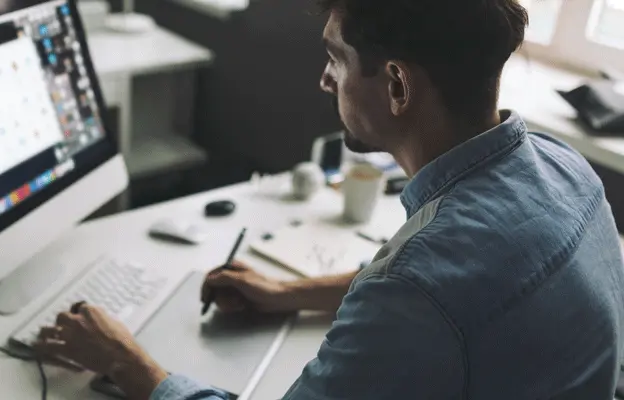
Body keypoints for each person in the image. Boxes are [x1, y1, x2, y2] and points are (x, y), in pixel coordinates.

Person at [33, 0, 624, 398]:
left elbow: (427, 290)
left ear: (396, 85)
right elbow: (458, 292)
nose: (324, 80)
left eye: (336, 59)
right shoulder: (566, 168)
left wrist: (136, 370)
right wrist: (286, 294)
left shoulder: (417, 287)